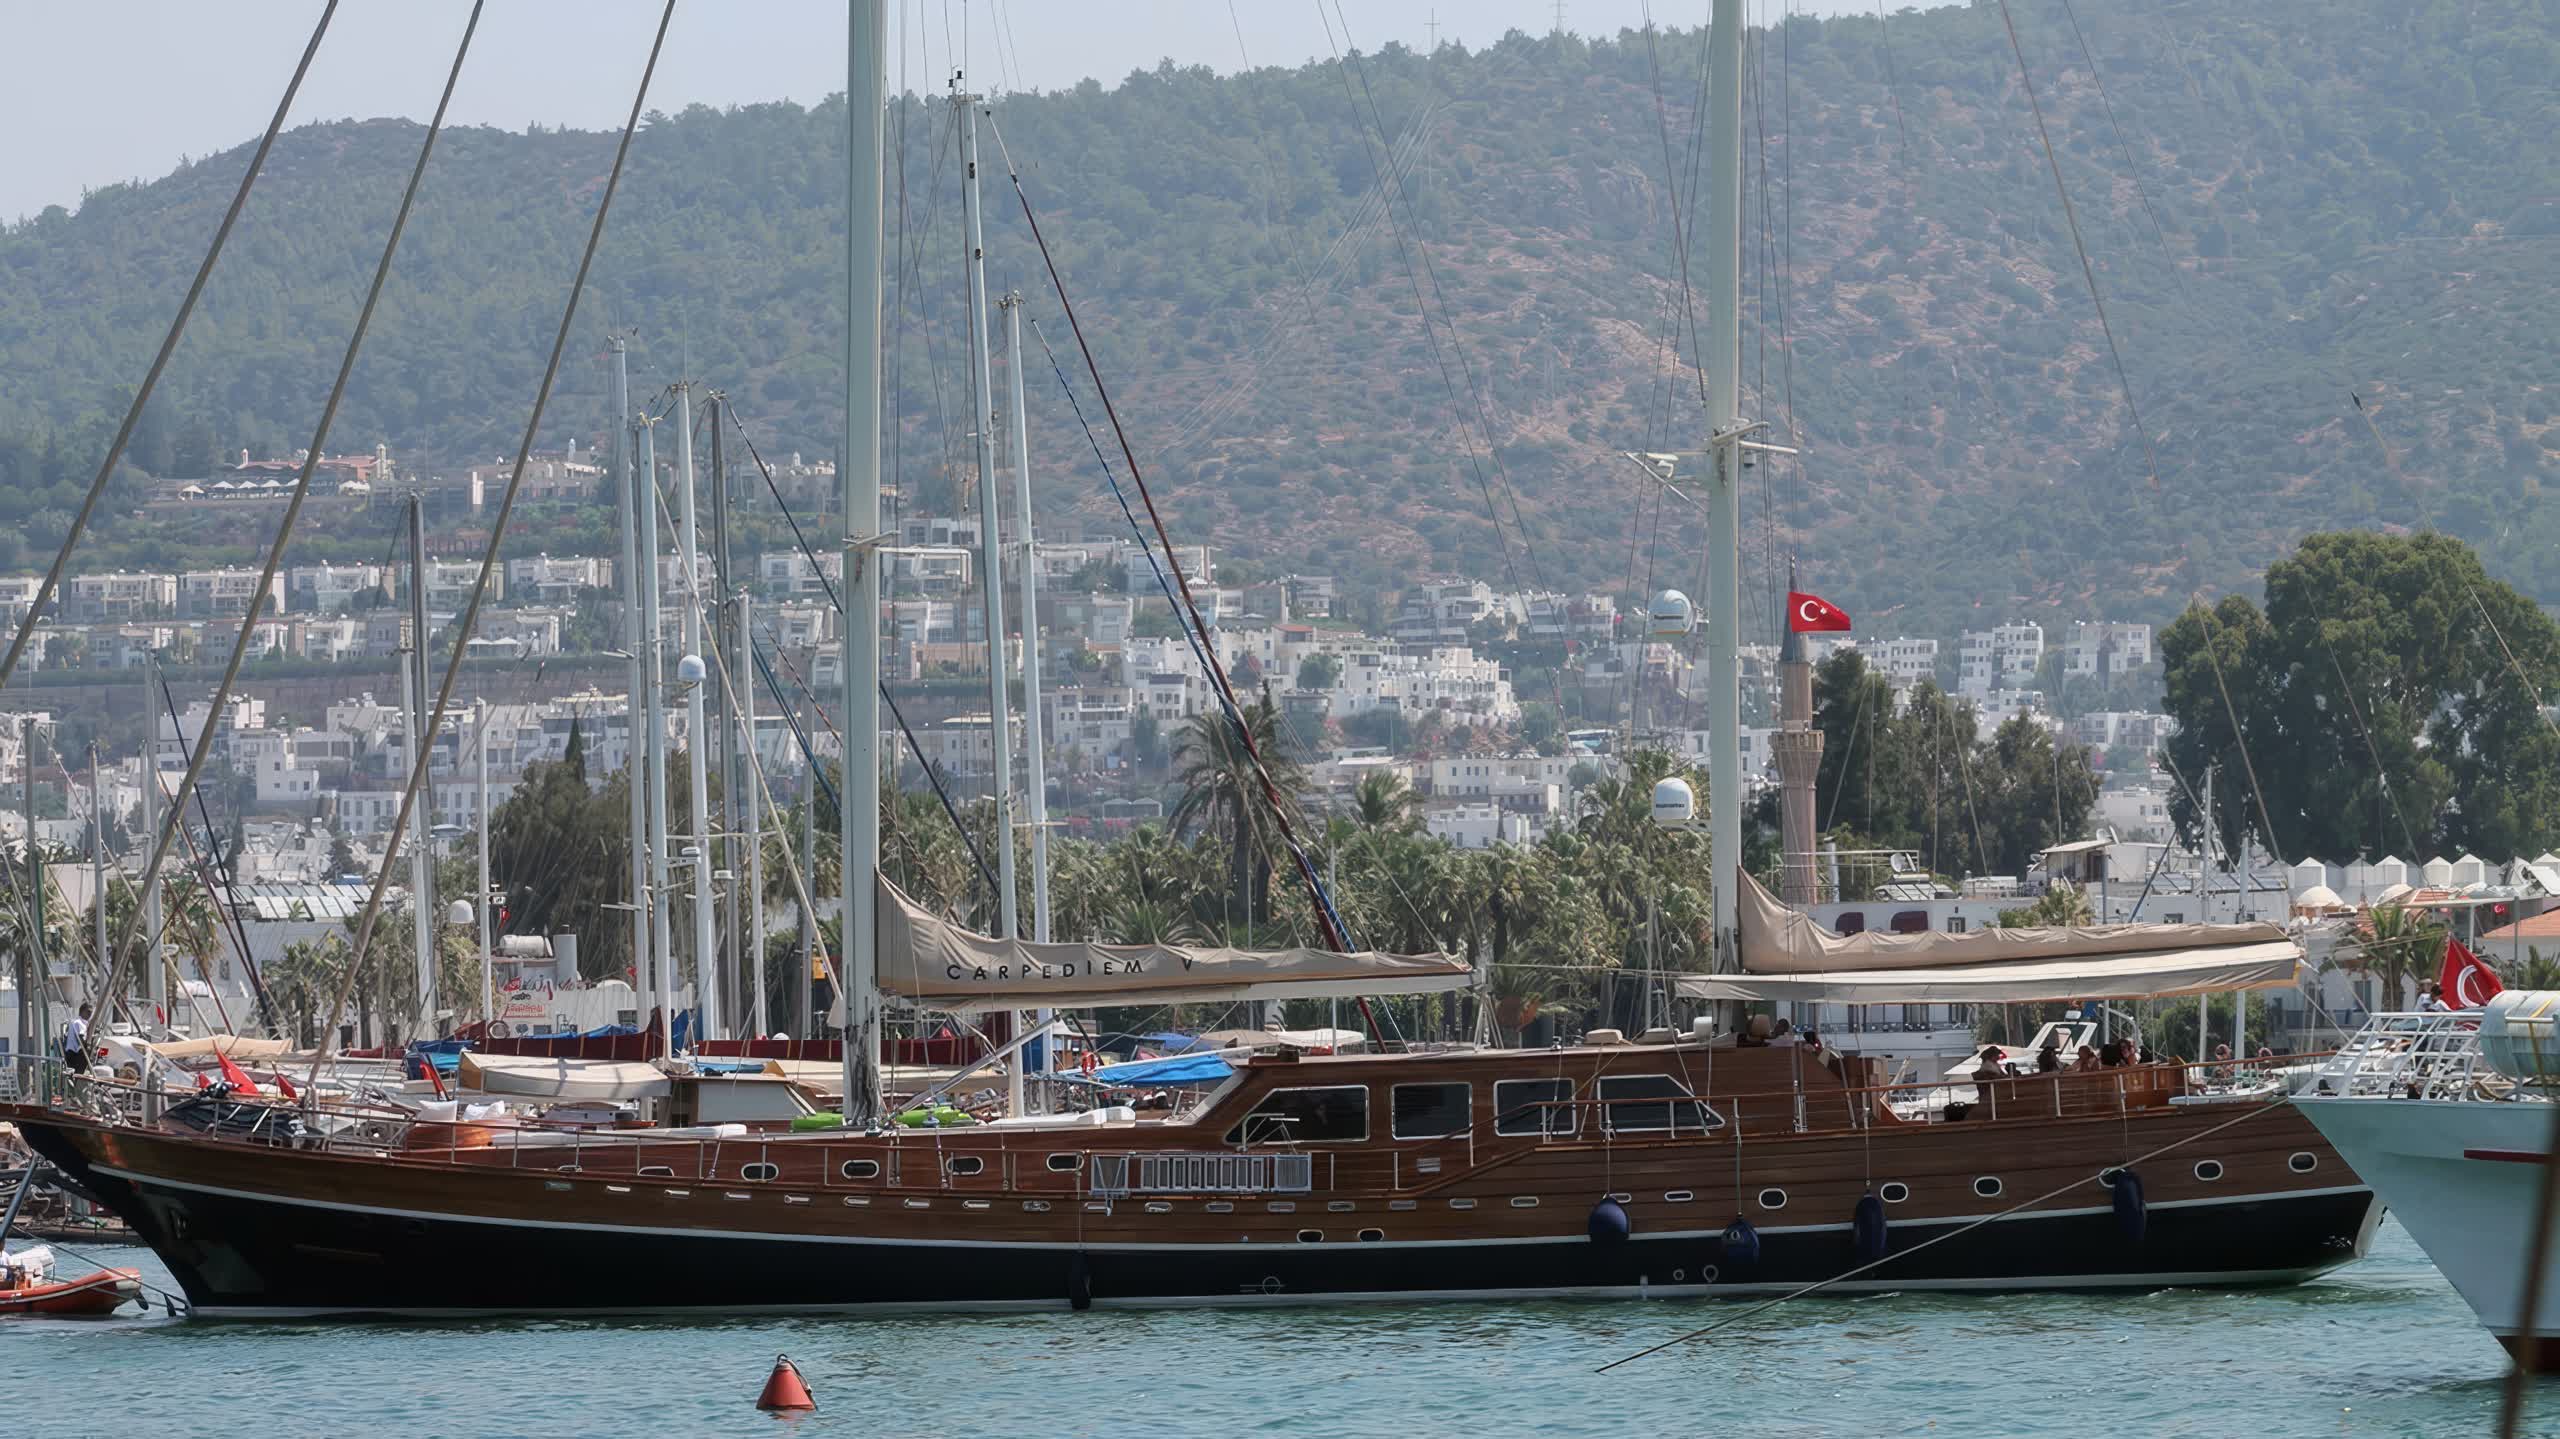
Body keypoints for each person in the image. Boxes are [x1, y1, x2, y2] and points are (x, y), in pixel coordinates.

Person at [61, 1003, 92, 1074]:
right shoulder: (80, 1023)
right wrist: (89, 1045)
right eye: (88, 1012)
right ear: (82, 1012)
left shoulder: (74, 1022)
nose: (90, 1014)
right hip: (76, 1054)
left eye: (91, 1012)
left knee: (72, 1074)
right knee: (78, 1074)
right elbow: (80, 1039)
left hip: (69, 1053)